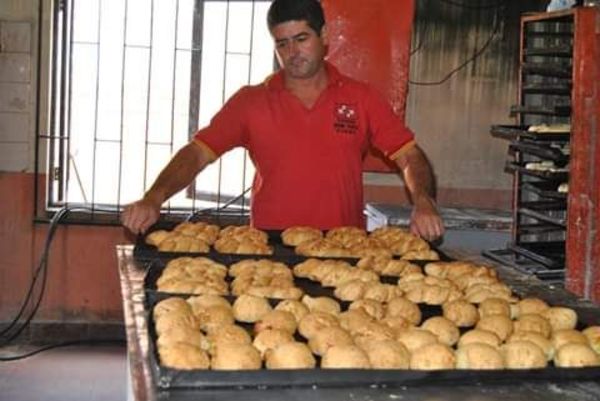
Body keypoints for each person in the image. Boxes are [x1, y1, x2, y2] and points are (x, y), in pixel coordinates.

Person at [122, 0, 444, 241]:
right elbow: (197, 153)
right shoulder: (251, 101)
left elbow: (409, 155)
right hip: (269, 251)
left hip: (343, 251)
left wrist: (423, 202)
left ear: (324, 36)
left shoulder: (361, 99)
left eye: (301, 38)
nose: (292, 52)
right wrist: (154, 197)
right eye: (282, 43)